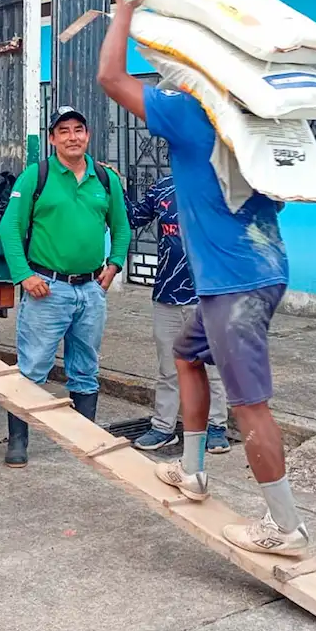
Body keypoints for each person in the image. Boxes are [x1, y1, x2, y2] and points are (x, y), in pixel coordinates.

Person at [96, 0, 311, 557]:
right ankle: (192, 471)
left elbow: (111, 78)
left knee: (249, 405)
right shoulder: (260, 118)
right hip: (260, 269)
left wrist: (124, 10)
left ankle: (285, 528)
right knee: (187, 356)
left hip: (234, 284)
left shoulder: (191, 113)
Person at [0, 106, 131, 467]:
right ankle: (18, 441)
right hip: (47, 289)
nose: (73, 137)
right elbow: (9, 228)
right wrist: (24, 275)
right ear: (53, 138)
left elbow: (122, 226)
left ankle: (85, 439)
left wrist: (115, 263)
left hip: (90, 290)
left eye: (79, 130)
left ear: (87, 135)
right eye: (64, 131)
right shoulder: (35, 176)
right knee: (33, 368)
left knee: (85, 367)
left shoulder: (105, 179)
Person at [125, 176, 230, 454]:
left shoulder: (225, 186)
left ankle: (217, 426)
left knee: (213, 368)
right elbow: (133, 218)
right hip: (167, 295)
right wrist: (113, 182)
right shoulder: (163, 187)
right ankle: (163, 427)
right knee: (168, 369)